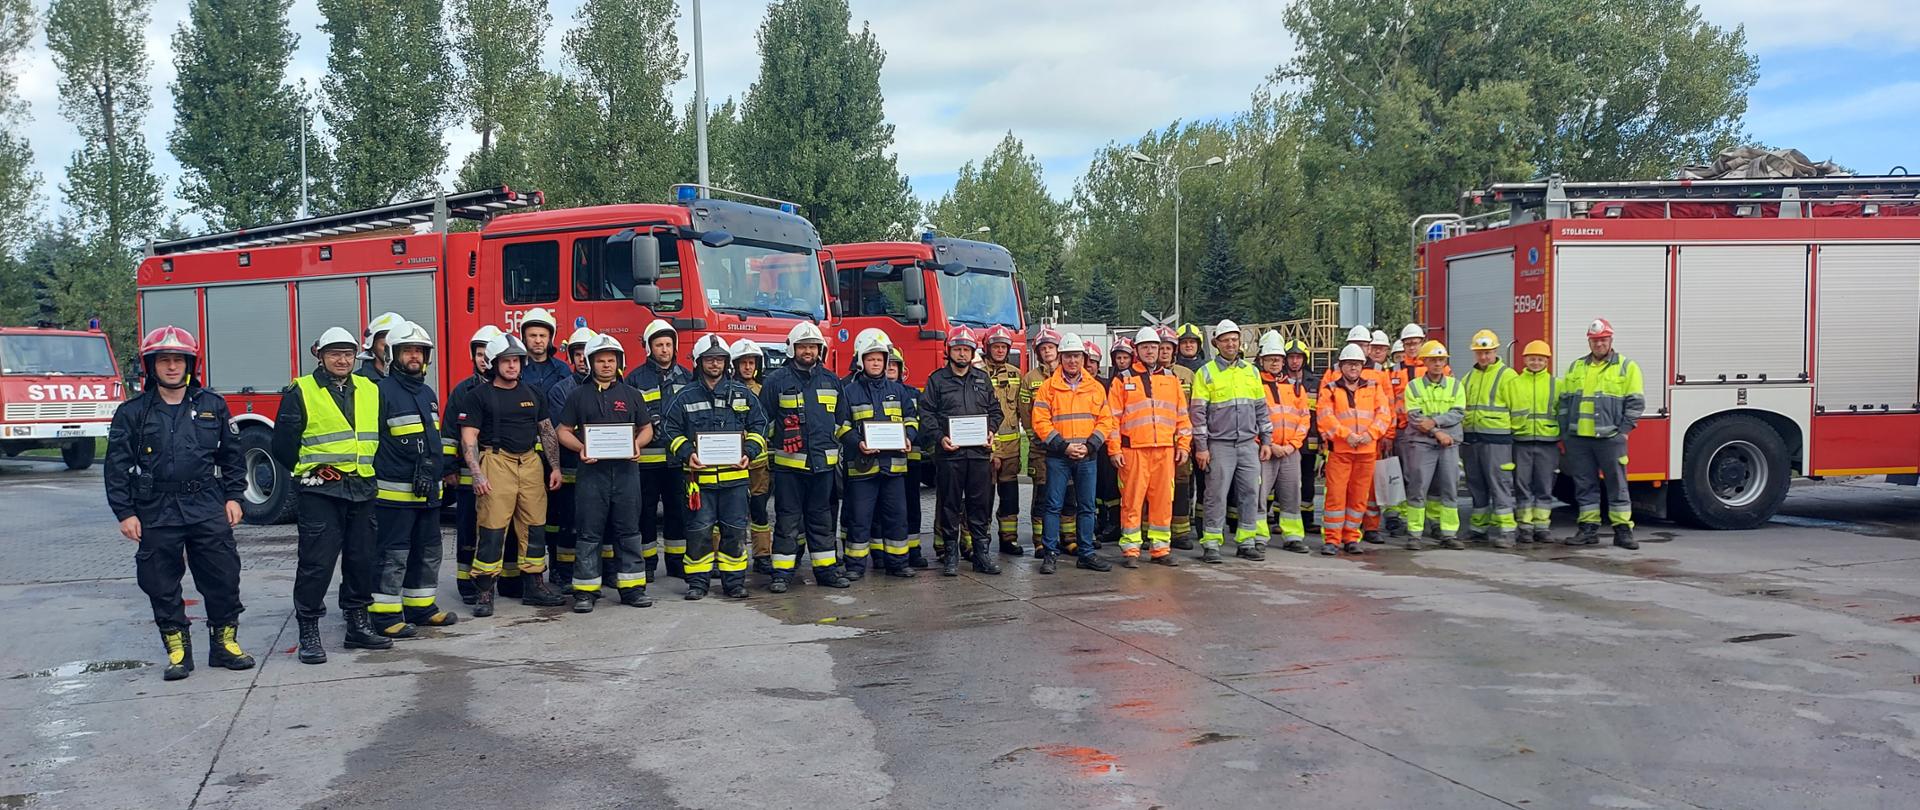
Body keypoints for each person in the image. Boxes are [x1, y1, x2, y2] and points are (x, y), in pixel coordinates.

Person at [105, 326, 252, 681]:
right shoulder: (132, 412)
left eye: (178, 360)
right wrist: (125, 512)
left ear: (190, 364)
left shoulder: (212, 406)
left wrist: (234, 496)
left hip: (206, 504)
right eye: (164, 361)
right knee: (160, 580)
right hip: (156, 507)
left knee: (223, 575)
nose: (172, 367)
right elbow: (116, 466)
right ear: (151, 365)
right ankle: (177, 650)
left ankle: (224, 644)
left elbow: (232, 457)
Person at [273, 327, 387, 663]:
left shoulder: (369, 388)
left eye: (348, 353)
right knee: (316, 564)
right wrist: (309, 471)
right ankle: (309, 629)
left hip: (361, 487)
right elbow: (282, 445)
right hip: (321, 491)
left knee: (361, 560)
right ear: (320, 356)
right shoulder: (301, 391)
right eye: (335, 353)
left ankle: (357, 625)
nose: (342, 359)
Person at [456, 333, 567, 616]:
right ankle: (484, 592)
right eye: (506, 361)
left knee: (534, 526)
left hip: (530, 462)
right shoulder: (477, 396)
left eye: (516, 361)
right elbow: (468, 437)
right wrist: (478, 475)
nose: (512, 366)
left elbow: (546, 431)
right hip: (496, 461)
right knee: (492, 529)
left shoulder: (533, 393)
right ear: (494, 363)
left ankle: (534, 586)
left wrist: (554, 467)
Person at [661, 335, 771, 600]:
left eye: (720, 359)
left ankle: (733, 582)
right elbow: (668, 428)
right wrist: (687, 453)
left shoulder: (742, 394)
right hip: (699, 480)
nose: (715, 364)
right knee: (698, 532)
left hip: (735, 480)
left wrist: (749, 452)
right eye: (710, 359)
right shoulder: (684, 397)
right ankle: (697, 583)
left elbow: (760, 425)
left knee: (734, 532)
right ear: (699, 362)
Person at [368, 321, 457, 638]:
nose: (415, 356)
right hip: (394, 496)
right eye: (408, 351)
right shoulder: (381, 392)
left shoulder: (427, 392)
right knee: (393, 556)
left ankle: (421, 607)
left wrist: (438, 467)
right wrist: (410, 469)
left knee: (428, 551)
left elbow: (432, 439)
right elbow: (375, 443)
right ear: (394, 354)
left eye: (419, 351)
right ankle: (384, 615)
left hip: (428, 493)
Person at [556, 334, 655, 611]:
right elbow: (561, 431)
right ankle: (586, 592)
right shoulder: (578, 396)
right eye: (600, 360)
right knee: (589, 532)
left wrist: (637, 444)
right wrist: (581, 449)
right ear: (590, 363)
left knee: (628, 531)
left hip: (626, 473)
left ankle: (633, 588)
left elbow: (647, 428)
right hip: (591, 474)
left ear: (619, 362)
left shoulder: (632, 395)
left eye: (611, 360)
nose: (606, 365)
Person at [762, 322, 853, 590]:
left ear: (820, 350)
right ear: (792, 349)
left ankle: (826, 571)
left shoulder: (831, 380)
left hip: (823, 467)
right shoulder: (776, 381)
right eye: (803, 346)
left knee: (822, 520)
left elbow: (842, 421)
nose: (808, 351)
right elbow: (763, 421)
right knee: (788, 520)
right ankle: (782, 574)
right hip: (789, 468)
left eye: (812, 347)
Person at [920, 327, 1004, 576]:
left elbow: (996, 411)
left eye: (966, 350)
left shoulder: (982, 379)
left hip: (978, 455)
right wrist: (940, 437)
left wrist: (990, 430)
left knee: (979, 506)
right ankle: (950, 556)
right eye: (958, 349)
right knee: (949, 505)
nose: (962, 354)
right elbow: (926, 414)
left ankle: (981, 555)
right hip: (950, 455)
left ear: (972, 353)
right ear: (949, 351)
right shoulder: (937, 380)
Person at [1031, 333, 1117, 574]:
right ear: (1060, 358)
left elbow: (1106, 421)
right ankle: (1050, 554)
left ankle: (1086, 553)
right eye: (1068, 356)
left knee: (1087, 507)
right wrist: (1064, 446)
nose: (1072, 361)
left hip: (1087, 457)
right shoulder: (1048, 388)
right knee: (1053, 506)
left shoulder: (1096, 388)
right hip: (1059, 456)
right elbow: (1040, 421)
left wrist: (1089, 447)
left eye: (1077, 356)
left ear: (1083, 358)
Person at [839, 331, 920, 577]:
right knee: (860, 519)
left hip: (894, 467)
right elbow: (841, 426)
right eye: (870, 359)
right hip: (862, 467)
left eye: (879, 359)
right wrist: (858, 443)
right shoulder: (849, 392)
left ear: (886, 362)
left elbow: (912, 419)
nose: (875, 363)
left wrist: (908, 437)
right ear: (861, 362)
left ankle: (898, 564)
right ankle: (855, 566)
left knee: (897, 516)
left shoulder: (899, 391)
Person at [1109, 326, 1191, 566]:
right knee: (1132, 500)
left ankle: (1160, 548)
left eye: (1153, 347)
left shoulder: (1171, 380)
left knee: (1163, 501)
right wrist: (1114, 449)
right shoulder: (1123, 380)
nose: (1150, 351)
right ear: (1137, 350)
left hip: (1165, 450)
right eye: (1145, 347)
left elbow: (1182, 416)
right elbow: (1112, 418)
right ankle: (1131, 549)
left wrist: (1184, 445)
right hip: (1133, 450)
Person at [1560, 318, 1644, 550]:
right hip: (1579, 439)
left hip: (1610, 438)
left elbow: (1636, 403)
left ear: (1611, 340)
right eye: (1595, 340)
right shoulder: (1577, 367)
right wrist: (1566, 433)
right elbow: (1565, 402)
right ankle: (1588, 529)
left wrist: (1624, 432)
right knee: (1584, 485)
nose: (1599, 344)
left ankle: (1623, 531)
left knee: (1617, 484)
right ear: (1589, 341)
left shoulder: (1627, 367)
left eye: (1603, 340)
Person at [1190, 320, 1269, 564]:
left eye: (1234, 339)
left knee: (1250, 493)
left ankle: (1246, 541)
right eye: (1225, 340)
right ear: (1216, 344)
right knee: (1216, 494)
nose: (1231, 343)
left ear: (1239, 341)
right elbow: (1198, 414)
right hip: (1219, 445)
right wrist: (1201, 447)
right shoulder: (1206, 373)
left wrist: (1266, 440)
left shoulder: (1251, 372)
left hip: (1248, 443)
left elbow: (1261, 409)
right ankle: (1211, 543)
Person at [624, 320, 693, 580]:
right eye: (658, 345)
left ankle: (676, 563)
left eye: (668, 344)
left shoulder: (687, 377)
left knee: (678, 511)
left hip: (677, 461)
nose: (664, 349)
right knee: (645, 513)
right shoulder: (635, 379)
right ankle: (648, 564)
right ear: (649, 348)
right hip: (646, 462)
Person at [1316, 344, 1390, 556]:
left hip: (1366, 451)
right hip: (1340, 451)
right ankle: (1332, 539)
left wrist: (1371, 434)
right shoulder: (1330, 389)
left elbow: (1384, 414)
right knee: (1336, 497)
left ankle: (1351, 537)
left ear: (1362, 365)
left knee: (1359, 497)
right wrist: (1346, 435)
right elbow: (1325, 417)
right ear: (1341, 366)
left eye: (1357, 364)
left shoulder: (1374, 387)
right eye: (1349, 364)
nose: (1353, 368)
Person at [448, 325, 504, 605]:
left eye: (488, 354)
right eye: (480, 354)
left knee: (498, 529)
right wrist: (449, 468)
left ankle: (502, 579)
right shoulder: (463, 391)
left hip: (502, 476)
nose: (484, 359)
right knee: (469, 529)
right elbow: (450, 433)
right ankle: (467, 583)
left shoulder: (510, 387)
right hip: (469, 478)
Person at [546, 325, 599, 589]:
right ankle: (565, 573)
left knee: (601, 522)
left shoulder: (612, 387)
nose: (582, 359)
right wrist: (590, 441)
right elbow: (560, 430)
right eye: (577, 354)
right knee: (569, 523)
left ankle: (603, 571)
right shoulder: (560, 390)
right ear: (572, 357)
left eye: (586, 354)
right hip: (570, 467)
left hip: (601, 469)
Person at [1400, 341, 1466, 550]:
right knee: (1418, 487)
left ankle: (1448, 533)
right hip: (1423, 443)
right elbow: (1414, 416)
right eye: (1433, 360)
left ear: (1445, 362)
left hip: (1448, 444)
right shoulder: (1413, 386)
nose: (1437, 364)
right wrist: (1436, 432)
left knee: (1449, 487)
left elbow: (1458, 412)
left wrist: (1435, 423)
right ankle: (1415, 534)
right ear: (1425, 362)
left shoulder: (1456, 385)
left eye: (1441, 360)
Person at [1462, 329, 1520, 548]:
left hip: (1498, 441)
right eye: (1479, 352)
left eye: (1487, 352)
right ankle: (1479, 528)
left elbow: (1518, 410)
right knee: (1476, 484)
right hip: (1472, 439)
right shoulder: (1469, 377)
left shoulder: (1508, 376)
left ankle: (1507, 531)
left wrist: (1514, 436)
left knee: (1499, 484)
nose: (1483, 356)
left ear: (1495, 350)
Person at [1255, 333, 1311, 555]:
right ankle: (1259, 535)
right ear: (1262, 360)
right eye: (1270, 359)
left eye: (1278, 358)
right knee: (1259, 495)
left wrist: (1291, 445)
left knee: (1291, 496)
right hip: (1264, 450)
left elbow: (1304, 418)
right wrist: (1266, 443)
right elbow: (1250, 419)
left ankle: (1293, 536)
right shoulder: (1255, 385)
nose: (1275, 362)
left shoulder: (1296, 387)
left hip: (1290, 451)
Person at [1020, 327, 1072, 552]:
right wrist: (1035, 438)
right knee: (1042, 495)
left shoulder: (1068, 375)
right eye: (1043, 349)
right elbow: (1024, 411)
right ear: (1038, 353)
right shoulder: (1030, 379)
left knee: (1069, 495)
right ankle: (1040, 542)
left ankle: (1069, 538)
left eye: (1051, 347)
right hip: (1041, 449)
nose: (1047, 352)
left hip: (1066, 447)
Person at [730, 340, 777, 576]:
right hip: (732, 461)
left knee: (759, 511)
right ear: (735, 365)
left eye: (751, 363)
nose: (747, 367)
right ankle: (727, 556)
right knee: (731, 512)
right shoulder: (727, 389)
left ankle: (762, 555)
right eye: (743, 363)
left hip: (759, 462)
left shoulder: (764, 390)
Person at [981, 325, 1026, 556]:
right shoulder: (977, 373)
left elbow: (1022, 411)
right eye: (996, 346)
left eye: (1003, 347)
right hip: (985, 448)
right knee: (983, 497)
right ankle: (982, 538)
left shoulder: (1016, 375)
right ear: (987, 347)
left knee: (1010, 498)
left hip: (1011, 450)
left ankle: (1008, 539)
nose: (999, 350)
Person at [1512, 340, 1561, 545]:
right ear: (1524, 360)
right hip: (1520, 440)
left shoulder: (1556, 384)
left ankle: (1542, 527)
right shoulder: (1514, 383)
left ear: (1547, 361)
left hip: (1548, 442)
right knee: (1522, 485)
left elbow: (1563, 412)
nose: (1536, 362)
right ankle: (1524, 527)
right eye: (1532, 358)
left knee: (1544, 485)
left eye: (1540, 359)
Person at [1157, 324, 1200, 549]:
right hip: (1157, 443)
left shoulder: (1187, 375)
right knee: (1156, 490)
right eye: (1160, 347)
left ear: (1175, 350)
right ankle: (1152, 532)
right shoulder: (1148, 376)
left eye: (1168, 348)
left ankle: (1180, 532)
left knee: (1182, 486)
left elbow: (1196, 409)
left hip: (1181, 442)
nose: (1163, 352)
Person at [1362, 329, 1406, 543]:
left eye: (1382, 348)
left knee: (1375, 485)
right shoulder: (1351, 369)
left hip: (1377, 439)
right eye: (1374, 347)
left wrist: (1388, 434)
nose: (1377, 351)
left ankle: (1375, 525)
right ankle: (1354, 526)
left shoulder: (1384, 373)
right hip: (1357, 438)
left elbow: (1389, 406)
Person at [887, 347, 930, 566]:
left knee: (912, 505)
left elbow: (922, 423)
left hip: (910, 459)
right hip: (882, 460)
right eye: (887, 364)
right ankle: (889, 553)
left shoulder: (914, 394)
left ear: (901, 368)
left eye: (894, 365)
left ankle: (914, 550)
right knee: (888, 509)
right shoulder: (873, 391)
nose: (890, 368)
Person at [1281, 337, 1321, 544]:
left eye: (1298, 357)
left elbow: (1319, 413)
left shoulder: (1314, 382)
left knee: (1307, 479)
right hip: (1286, 438)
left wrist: (1322, 440)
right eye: (1291, 357)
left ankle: (1307, 518)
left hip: (1309, 439)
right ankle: (1277, 517)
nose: (1295, 361)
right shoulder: (1280, 381)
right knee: (1282, 482)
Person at [1095, 339, 1133, 547]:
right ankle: (1104, 521)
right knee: (1103, 486)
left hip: (1125, 442)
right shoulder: (1109, 381)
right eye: (1118, 357)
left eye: (1125, 357)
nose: (1121, 361)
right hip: (1104, 441)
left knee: (1115, 487)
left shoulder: (1123, 381)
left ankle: (1116, 524)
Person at [356, 311, 405, 382]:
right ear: (372, 344)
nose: (391, 352)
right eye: (387, 347)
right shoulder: (357, 382)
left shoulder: (410, 380)